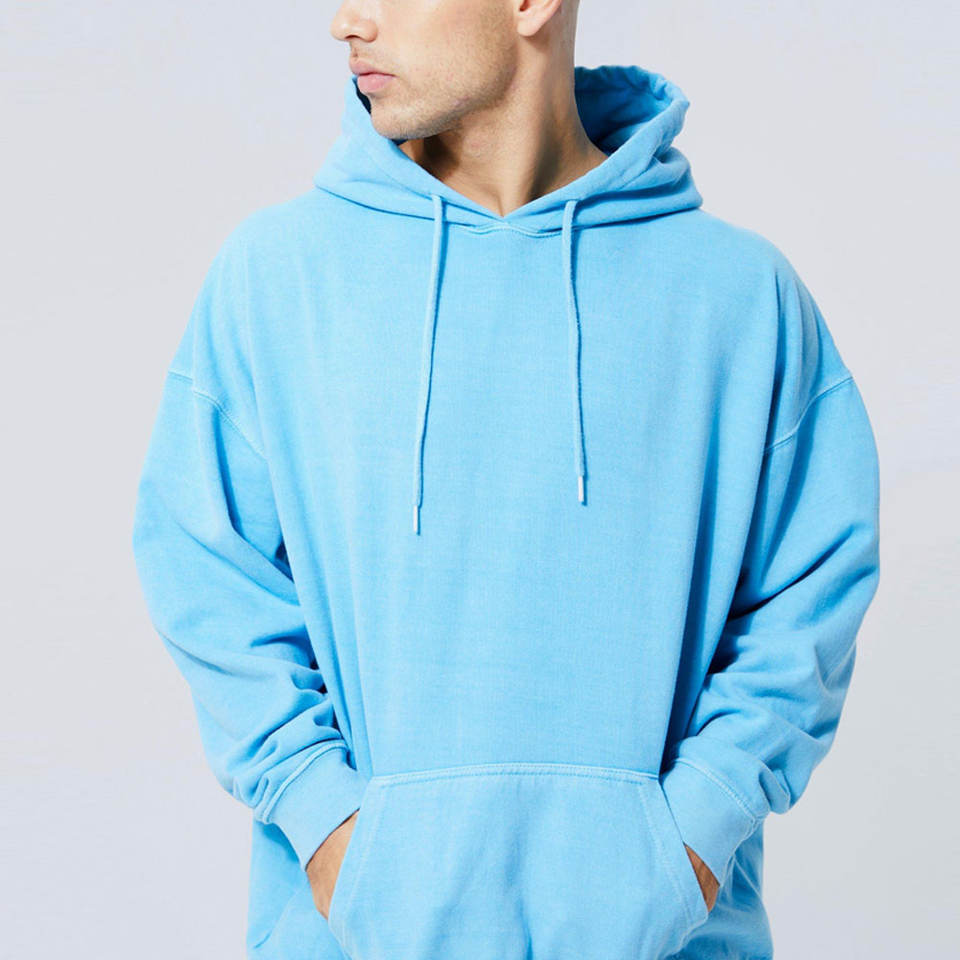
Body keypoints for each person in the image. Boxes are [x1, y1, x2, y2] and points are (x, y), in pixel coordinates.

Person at [130, 1, 881, 958]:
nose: (346, 21)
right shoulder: (277, 278)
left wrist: (692, 837)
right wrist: (329, 827)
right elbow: (208, 576)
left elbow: (809, 596)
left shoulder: (741, 295)